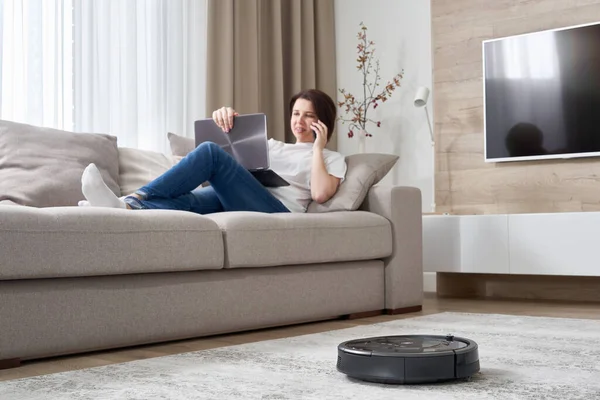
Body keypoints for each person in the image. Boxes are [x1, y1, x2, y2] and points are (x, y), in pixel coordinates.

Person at [79, 89, 347, 214]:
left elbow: (320, 194)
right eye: (296, 113)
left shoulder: (330, 158)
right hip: (244, 194)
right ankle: (121, 207)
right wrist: (228, 122)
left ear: (322, 121)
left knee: (209, 152)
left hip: (275, 209)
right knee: (188, 200)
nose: (299, 121)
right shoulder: (273, 145)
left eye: (308, 116)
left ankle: (136, 195)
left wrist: (317, 148)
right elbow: (237, 162)